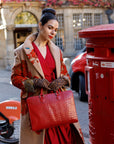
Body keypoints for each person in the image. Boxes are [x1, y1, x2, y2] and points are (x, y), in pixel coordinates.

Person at [11, 8, 84, 144]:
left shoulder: (57, 51)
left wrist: (62, 81)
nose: (53, 32)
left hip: (58, 107)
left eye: (55, 30)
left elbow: (65, 74)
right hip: (37, 108)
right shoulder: (22, 52)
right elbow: (15, 78)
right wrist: (34, 83)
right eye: (50, 28)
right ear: (40, 26)